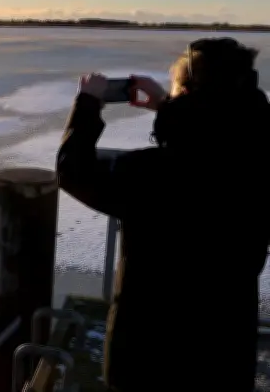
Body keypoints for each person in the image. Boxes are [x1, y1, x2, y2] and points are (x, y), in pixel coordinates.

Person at [56, 37, 270, 392]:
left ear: (188, 92)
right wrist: (169, 106)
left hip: (148, 358)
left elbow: (73, 171)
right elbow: (225, 136)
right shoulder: (259, 168)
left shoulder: (151, 173)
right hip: (226, 356)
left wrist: (87, 105)